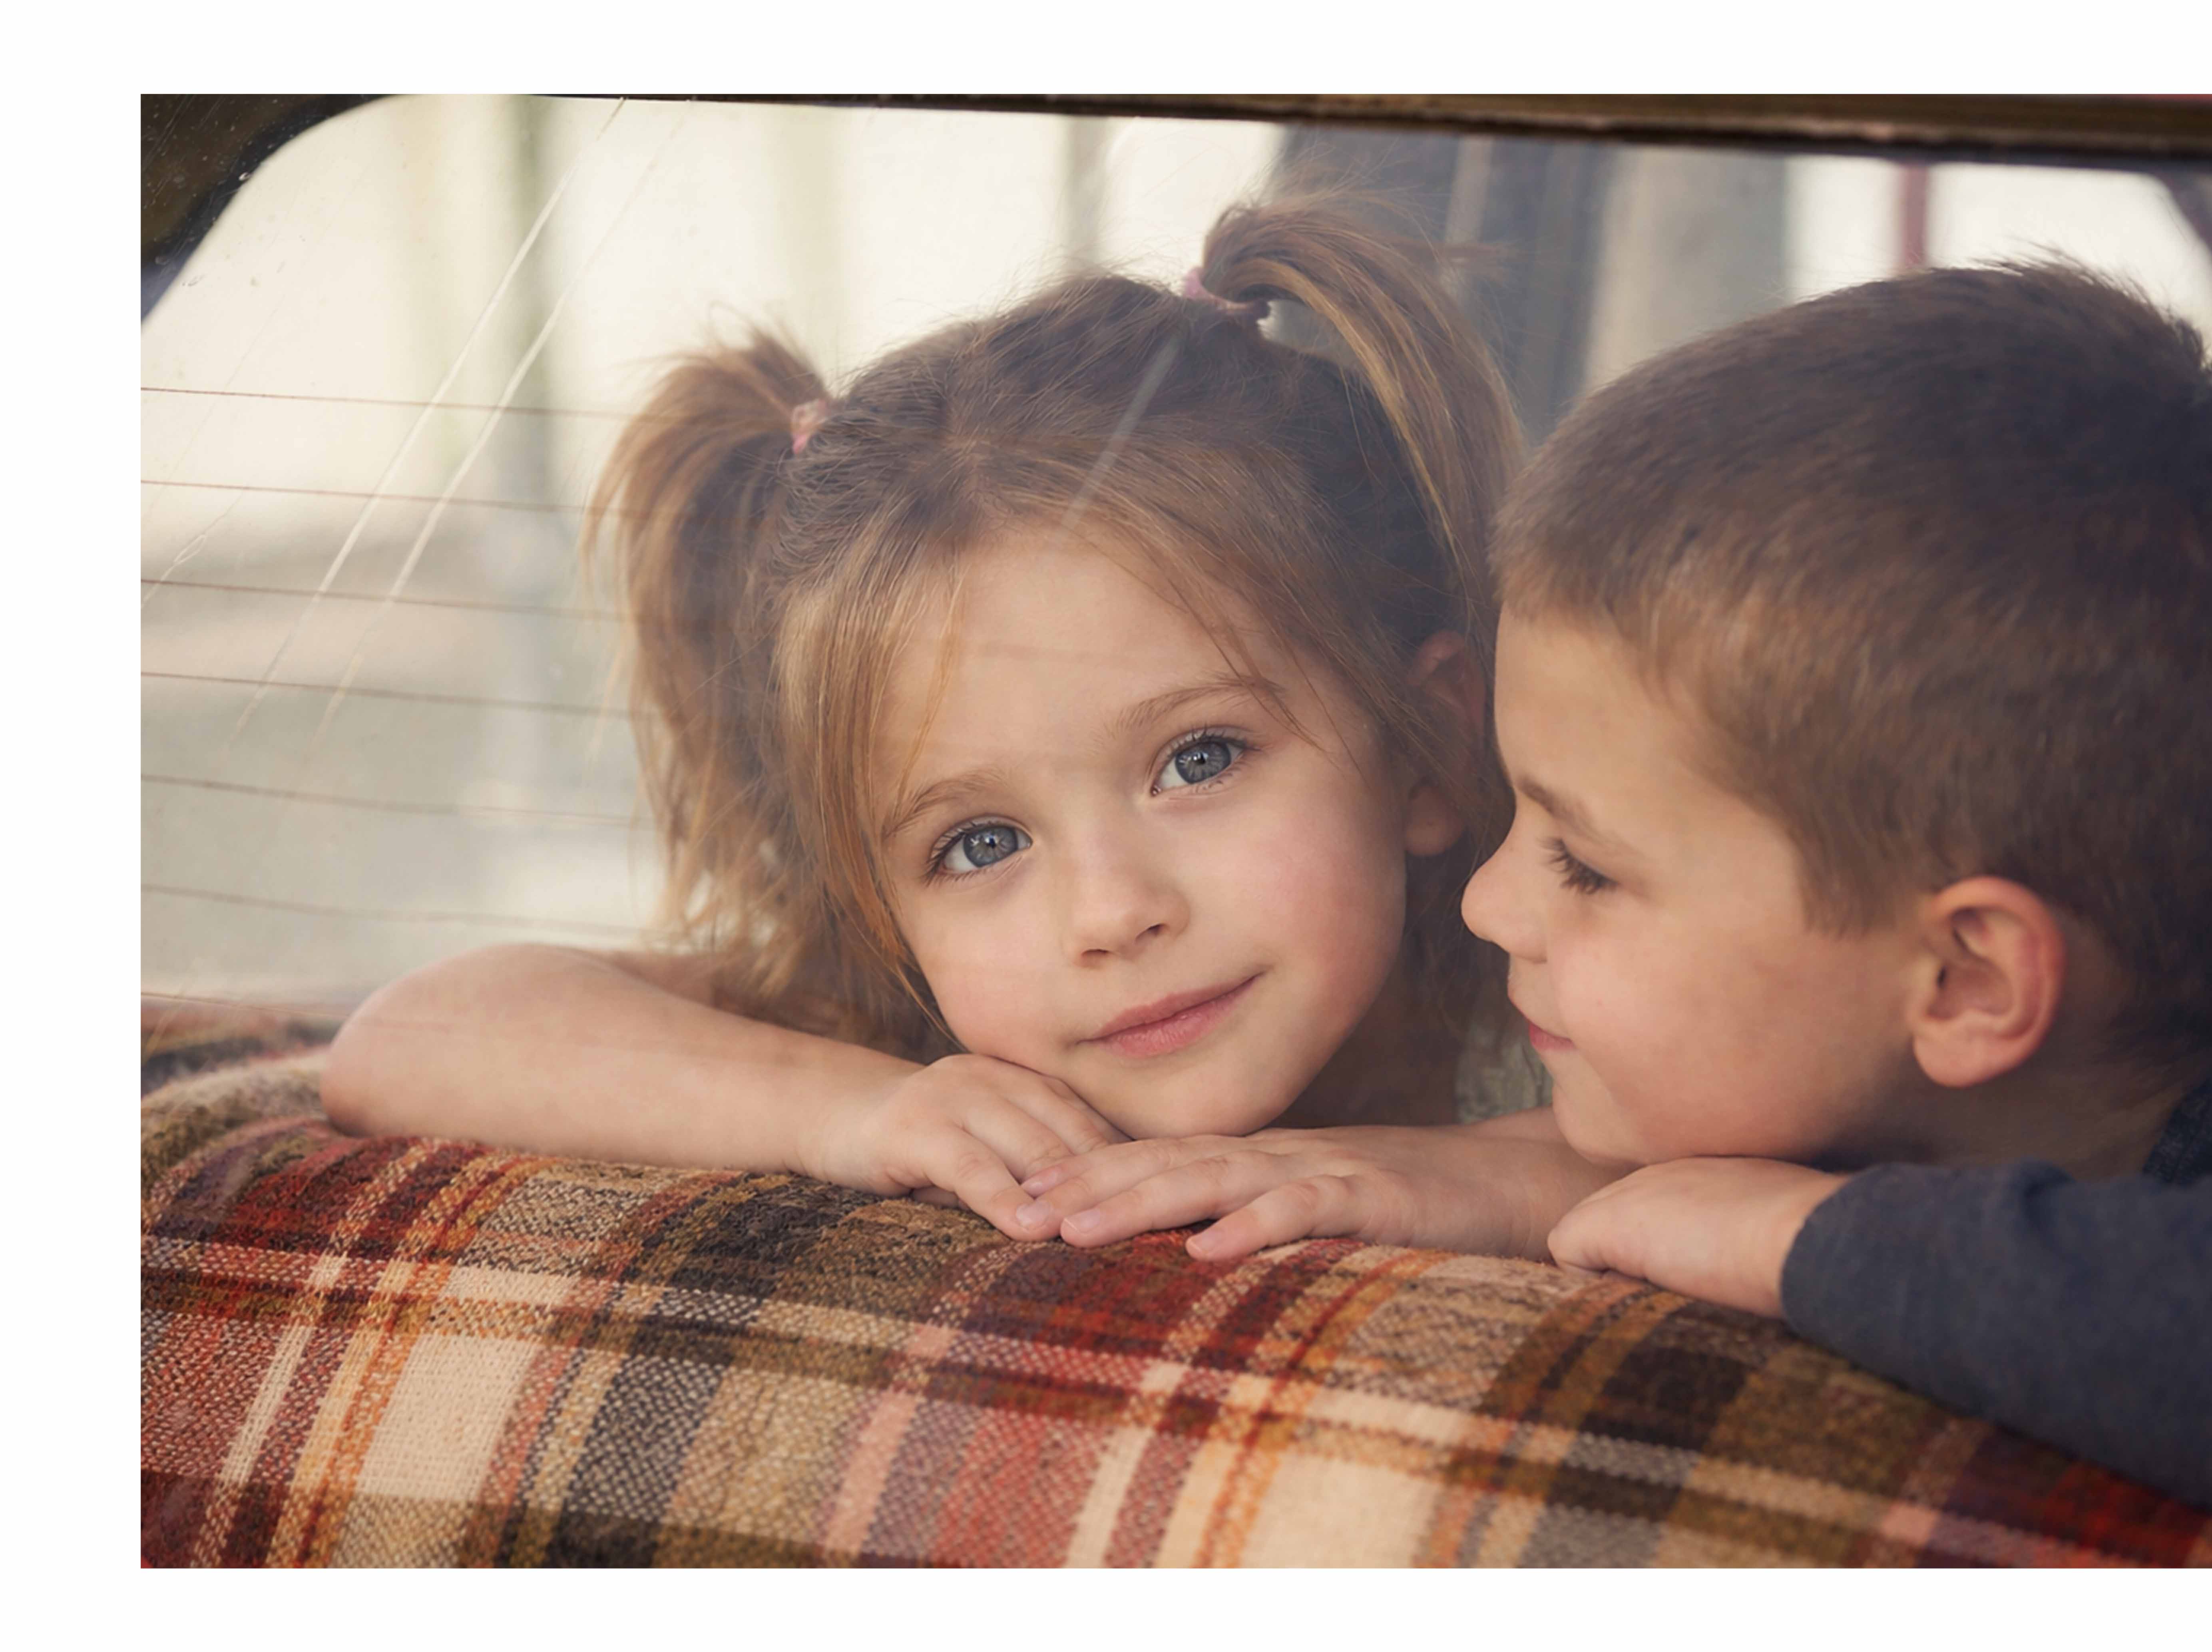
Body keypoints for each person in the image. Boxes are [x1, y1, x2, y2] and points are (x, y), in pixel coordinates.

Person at [1016, 262, 2212, 1527]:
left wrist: (1792, 1234)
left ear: (1966, 984)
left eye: (1587, 864)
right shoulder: (1835, 1068)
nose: (1488, 905)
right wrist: (1510, 1178)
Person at [322, 199, 1621, 1245]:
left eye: (1200, 759)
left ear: (1428, 740)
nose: (1112, 915)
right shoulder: (918, 1050)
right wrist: (861, 1110)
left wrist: (1467, 1180)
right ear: (882, 912)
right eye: (982, 844)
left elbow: (1774, 1175)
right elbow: (411, 1040)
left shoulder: (1553, 1013)